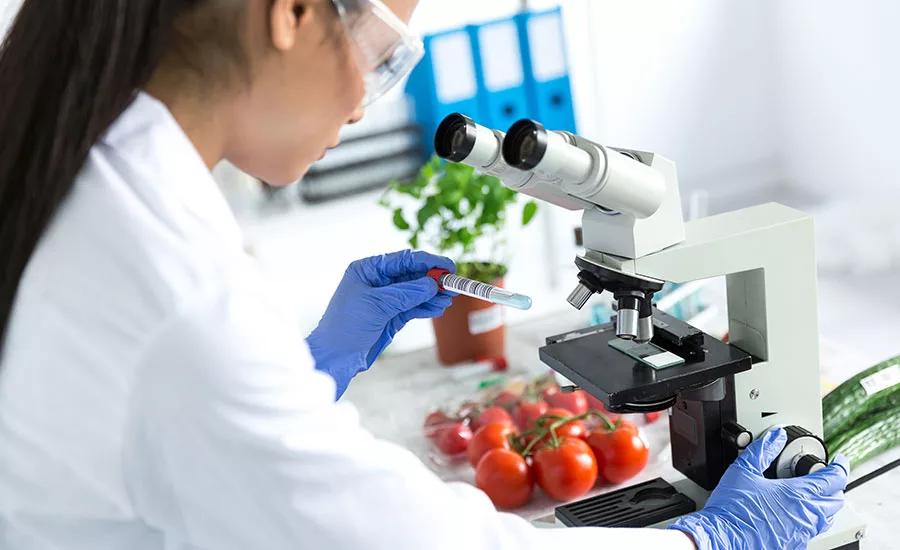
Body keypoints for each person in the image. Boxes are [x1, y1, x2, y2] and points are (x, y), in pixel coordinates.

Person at [0, 1, 848, 549]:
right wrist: (711, 543)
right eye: (383, 52)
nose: (366, 103)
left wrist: (308, 371)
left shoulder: (79, 166)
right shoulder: (177, 294)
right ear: (291, 13)